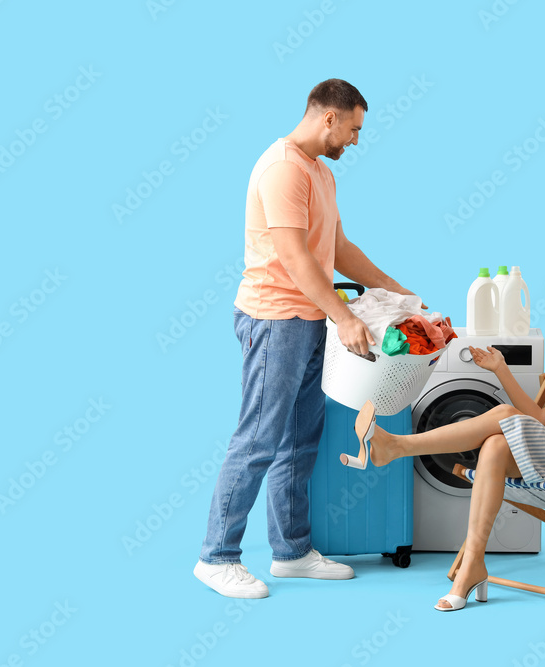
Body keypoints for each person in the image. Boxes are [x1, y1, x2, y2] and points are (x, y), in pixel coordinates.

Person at [194, 79, 419, 599]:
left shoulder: (319, 171)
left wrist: (394, 288)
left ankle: (291, 551)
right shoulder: (283, 169)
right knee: (258, 439)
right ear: (329, 118)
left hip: (307, 320)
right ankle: (217, 556)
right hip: (276, 320)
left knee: (300, 441)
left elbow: (335, 246)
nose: (357, 141)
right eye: (355, 129)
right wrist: (344, 316)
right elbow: (295, 258)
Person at [345, 282, 545, 611]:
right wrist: (501, 369)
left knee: (502, 416)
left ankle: (397, 447)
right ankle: (473, 565)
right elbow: (540, 417)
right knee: (496, 447)